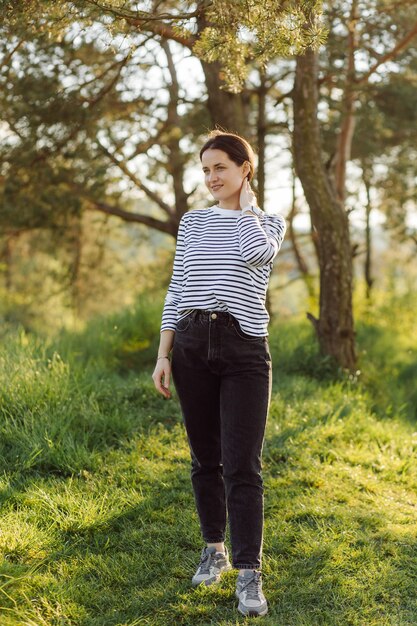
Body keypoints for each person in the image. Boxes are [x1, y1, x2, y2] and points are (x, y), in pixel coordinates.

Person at [152, 130, 286, 618]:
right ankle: (215, 551)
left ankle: (249, 574)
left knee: (242, 464)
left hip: (244, 349)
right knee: (204, 458)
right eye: (206, 169)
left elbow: (258, 255)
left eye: (221, 168)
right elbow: (177, 287)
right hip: (190, 345)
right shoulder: (192, 223)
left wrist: (245, 207)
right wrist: (163, 354)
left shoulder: (268, 222)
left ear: (244, 169)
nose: (211, 177)